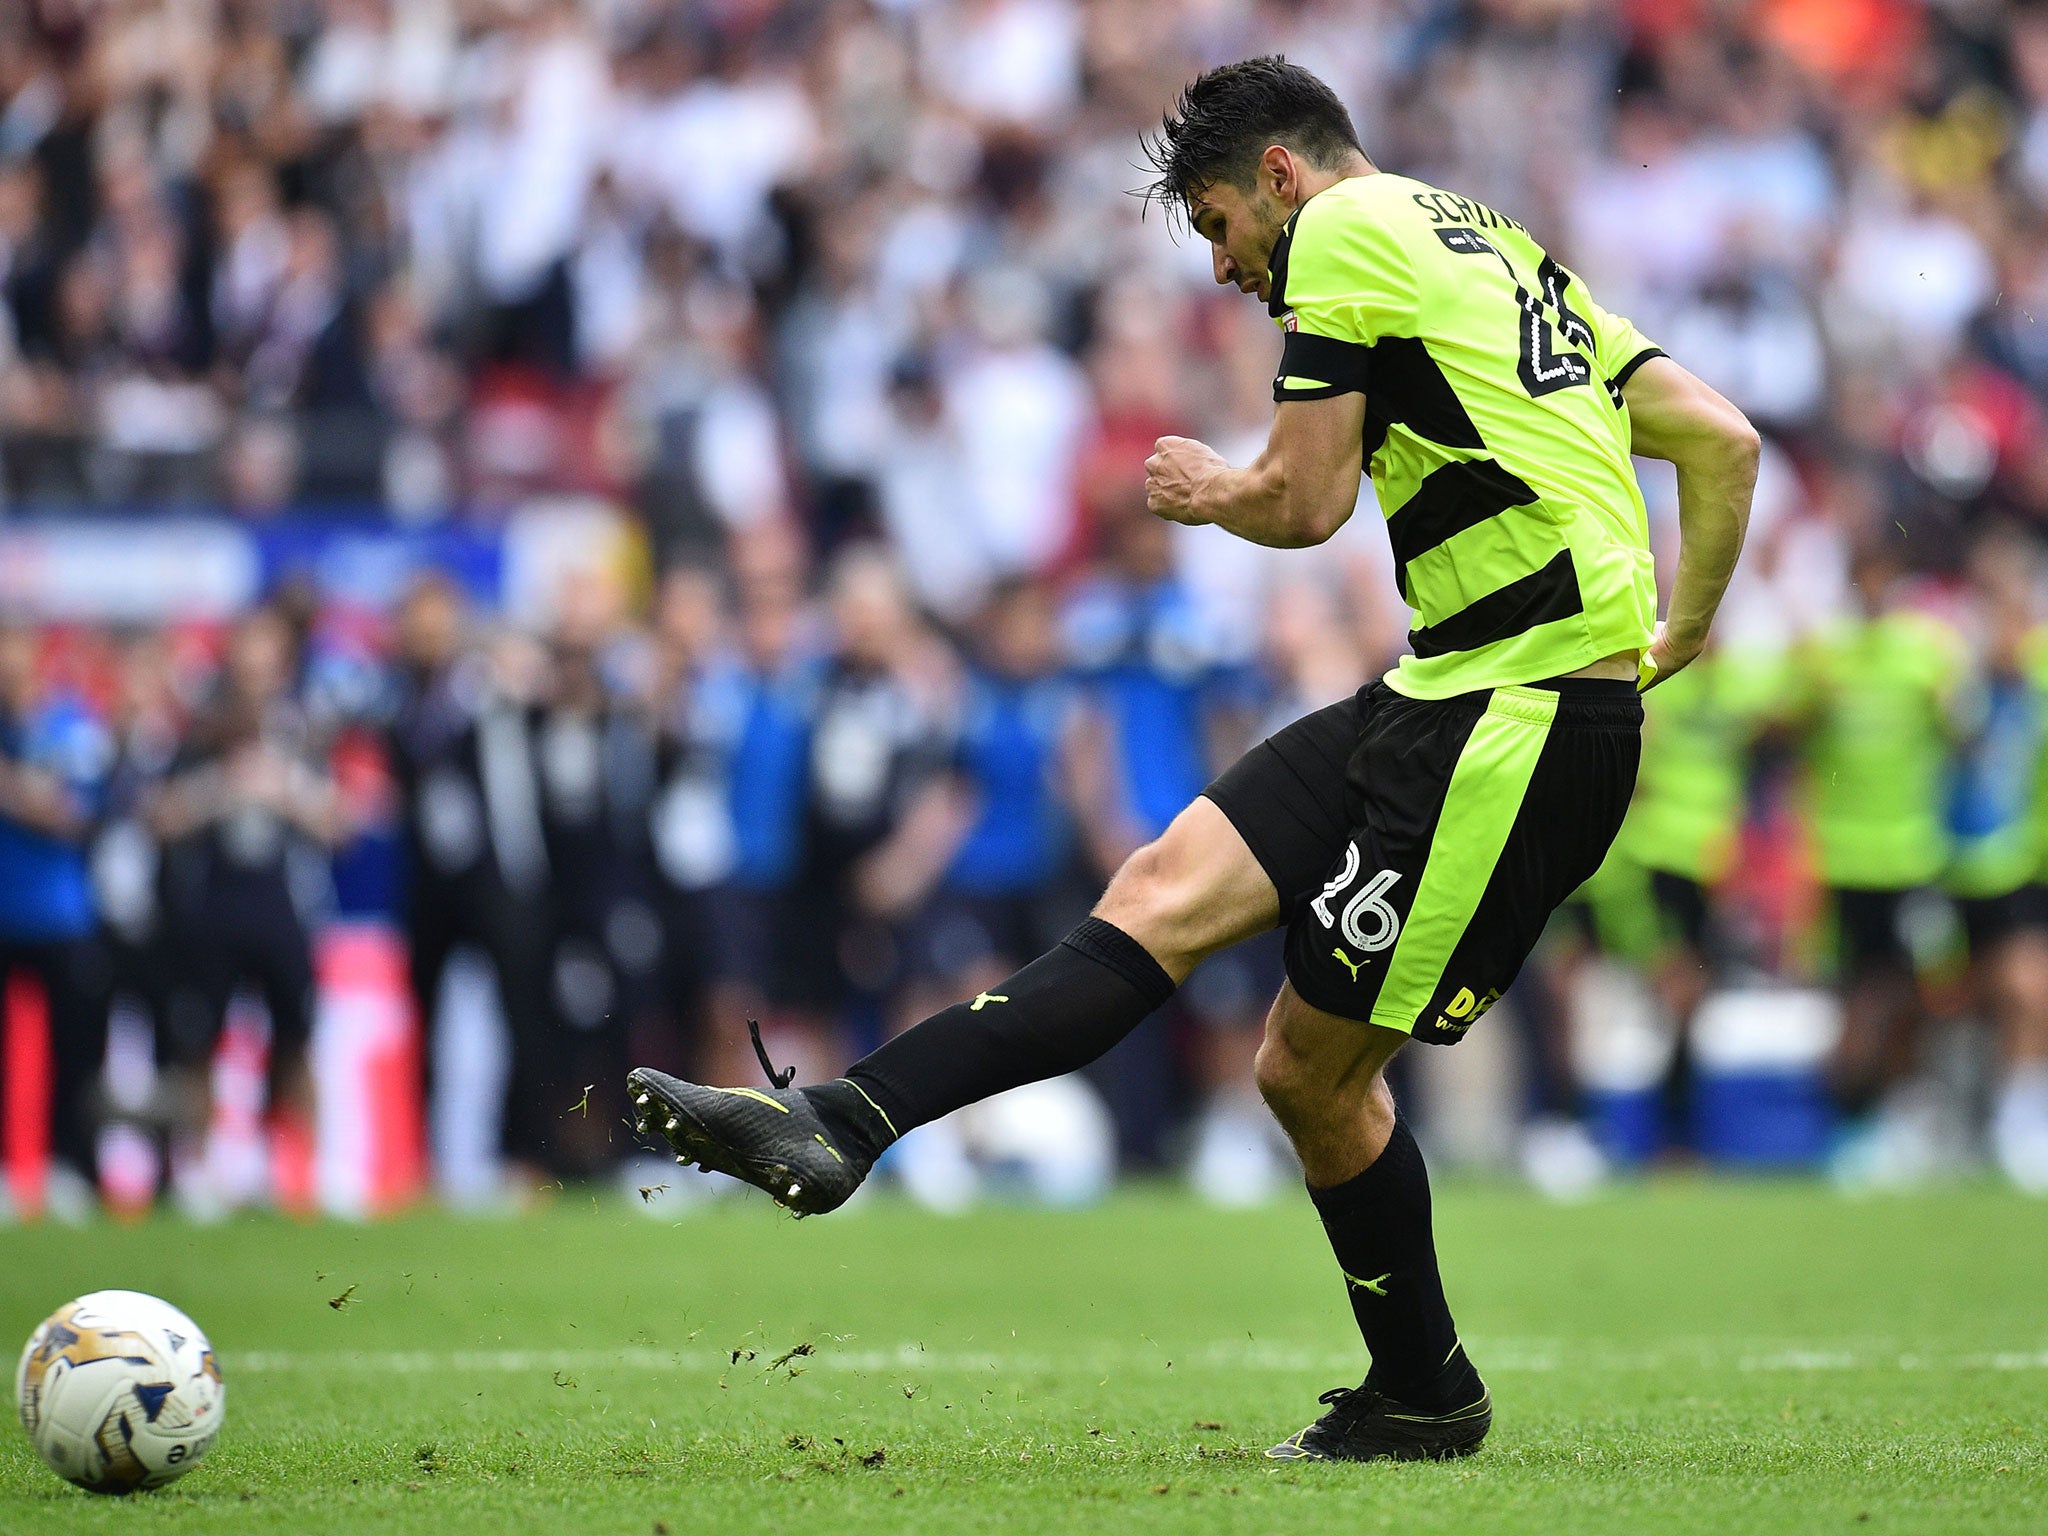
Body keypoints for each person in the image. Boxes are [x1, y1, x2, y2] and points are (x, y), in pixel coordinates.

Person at [626, 56, 1756, 1462]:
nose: (1224, 267)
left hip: (1510, 725)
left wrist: (1210, 489)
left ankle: (1427, 1392)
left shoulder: (1342, 233)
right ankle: (842, 1123)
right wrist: (1677, 627)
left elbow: (1305, 498)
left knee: (1307, 1073)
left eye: (1219, 224)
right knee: (1161, 889)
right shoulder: (1491, 243)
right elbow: (1719, 436)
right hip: (1448, 690)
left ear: (1280, 175)